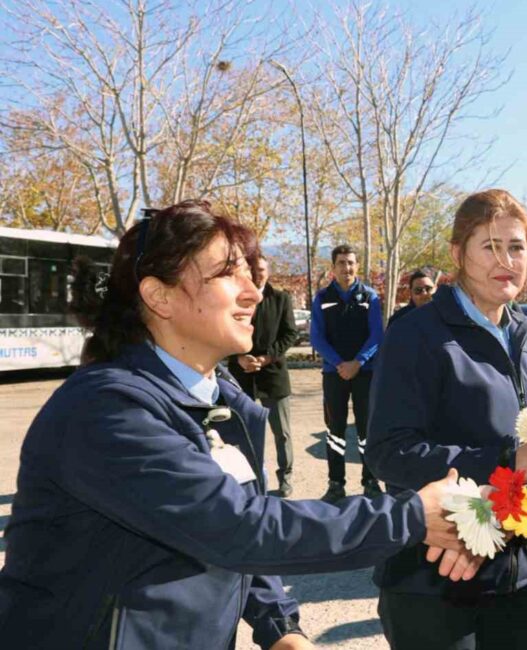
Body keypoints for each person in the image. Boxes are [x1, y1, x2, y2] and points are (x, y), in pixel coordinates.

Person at [0, 200, 467, 650]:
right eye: (228, 273)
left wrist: (279, 625)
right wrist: (410, 516)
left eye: (250, 273)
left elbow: (238, 526)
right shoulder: (107, 409)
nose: (254, 292)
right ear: (158, 296)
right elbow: (237, 527)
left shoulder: (219, 402)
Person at [367, 189, 527, 650]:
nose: (507, 260)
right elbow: (389, 453)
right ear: (458, 254)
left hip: (515, 576)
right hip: (435, 577)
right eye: (490, 246)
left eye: (516, 247)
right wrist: (503, 464)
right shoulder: (417, 336)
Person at [311, 244, 384, 502]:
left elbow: (377, 335)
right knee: (335, 430)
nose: (347, 267)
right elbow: (317, 337)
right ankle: (335, 484)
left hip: (365, 374)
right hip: (334, 375)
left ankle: (371, 481)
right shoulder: (322, 297)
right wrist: (340, 364)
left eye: (351, 262)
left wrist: (358, 362)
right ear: (333, 267)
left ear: (357, 265)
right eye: (341, 263)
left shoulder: (370, 297)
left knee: (367, 430)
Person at [228, 253, 299, 497]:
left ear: (268, 272)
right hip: (243, 375)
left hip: (274, 376)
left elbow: (290, 335)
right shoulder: (236, 299)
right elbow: (226, 332)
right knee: (244, 432)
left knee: (282, 433)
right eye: (253, 270)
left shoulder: (281, 299)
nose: (258, 274)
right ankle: (253, 480)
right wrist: (238, 357)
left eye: (262, 270)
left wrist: (267, 357)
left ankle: (285, 478)